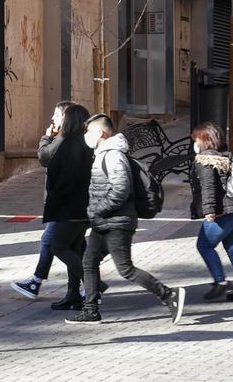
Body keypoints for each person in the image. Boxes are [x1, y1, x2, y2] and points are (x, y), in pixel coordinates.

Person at [66, 114, 186, 325]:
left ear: (101, 133)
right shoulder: (103, 153)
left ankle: (169, 295)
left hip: (116, 222)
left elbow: (121, 190)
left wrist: (98, 210)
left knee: (125, 268)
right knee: (89, 261)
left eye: (89, 131)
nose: (86, 136)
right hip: (104, 221)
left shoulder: (113, 156)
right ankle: (91, 310)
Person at [12, 102, 100, 310]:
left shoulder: (66, 142)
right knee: (75, 247)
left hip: (68, 208)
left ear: (68, 120)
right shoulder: (82, 142)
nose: (53, 119)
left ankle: (91, 287)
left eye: (57, 115)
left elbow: (45, 157)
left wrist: (47, 137)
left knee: (55, 245)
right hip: (78, 207)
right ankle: (76, 293)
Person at [188, 122, 233, 302]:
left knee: (204, 245)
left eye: (196, 139)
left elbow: (208, 187)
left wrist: (209, 210)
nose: (194, 143)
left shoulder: (205, 160)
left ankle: (221, 282)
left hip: (221, 213)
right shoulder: (226, 156)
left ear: (204, 140)